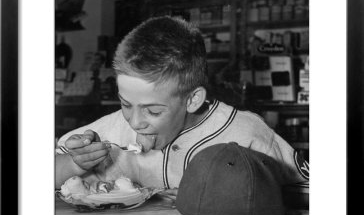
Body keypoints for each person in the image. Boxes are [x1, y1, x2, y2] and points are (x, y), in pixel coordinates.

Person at [55, 16, 309, 191]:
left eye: (153, 110)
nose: (135, 122)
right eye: (125, 103)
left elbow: (307, 194)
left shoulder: (247, 134)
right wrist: (75, 163)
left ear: (192, 99)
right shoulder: (110, 132)